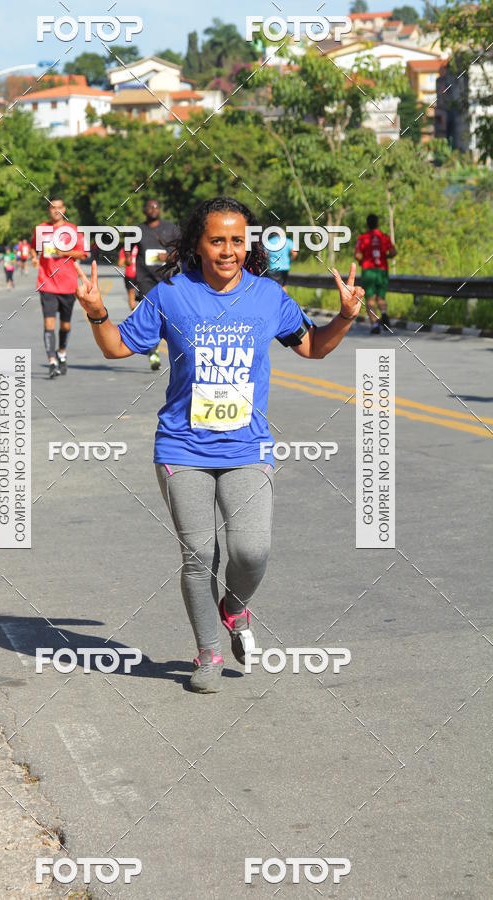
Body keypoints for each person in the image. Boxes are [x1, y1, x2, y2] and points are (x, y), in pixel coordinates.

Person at [75, 197, 364, 694]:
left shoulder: (267, 297)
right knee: (198, 554)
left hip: (247, 448)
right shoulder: (171, 294)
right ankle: (207, 652)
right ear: (198, 244)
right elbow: (118, 346)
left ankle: (234, 607)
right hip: (181, 449)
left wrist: (344, 316)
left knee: (252, 551)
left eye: (236, 240)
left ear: (247, 244)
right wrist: (98, 312)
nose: (228, 250)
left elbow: (313, 346)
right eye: (217, 240)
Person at [30, 198, 87, 379]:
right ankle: (52, 361)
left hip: (68, 284)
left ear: (64, 209)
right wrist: (33, 257)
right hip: (47, 283)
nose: (56, 210)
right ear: (48, 210)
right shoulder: (41, 229)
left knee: (65, 325)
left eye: (59, 207)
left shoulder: (72, 230)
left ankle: (61, 352)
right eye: (52, 207)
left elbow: (82, 253)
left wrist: (63, 252)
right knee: (49, 323)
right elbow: (33, 248)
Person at [132, 199, 180, 370]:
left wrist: (168, 258)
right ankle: (153, 351)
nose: (153, 209)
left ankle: (177, 351)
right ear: (144, 210)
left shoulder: (171, 229)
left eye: (156, 206)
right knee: (151, 316)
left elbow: (182, 251)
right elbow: (130, 259)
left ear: (160, 209)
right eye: (149, 207)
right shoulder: (138, 231)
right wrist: (130, 289)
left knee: (168, 317)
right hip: (145, 280)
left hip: (167, 278)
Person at [355, 214, 396, 334]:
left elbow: (357, 255)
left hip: (368, 271)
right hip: (382, 270)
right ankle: (383, 313)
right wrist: (385, 256)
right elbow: (393, 252)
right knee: (381, 297)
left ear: (367, 224)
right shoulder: (384, 237)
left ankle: (374, 324)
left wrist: (362, 261)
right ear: (377, 224)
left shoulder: (362, 238)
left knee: (370, 299)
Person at [118, 243, 138, 311]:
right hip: (142, 274)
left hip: (130, 274)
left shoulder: (125, 249)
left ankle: (135, 314)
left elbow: (120, 263)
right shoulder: (143, 246)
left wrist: (127, 260)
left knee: (131, 295)